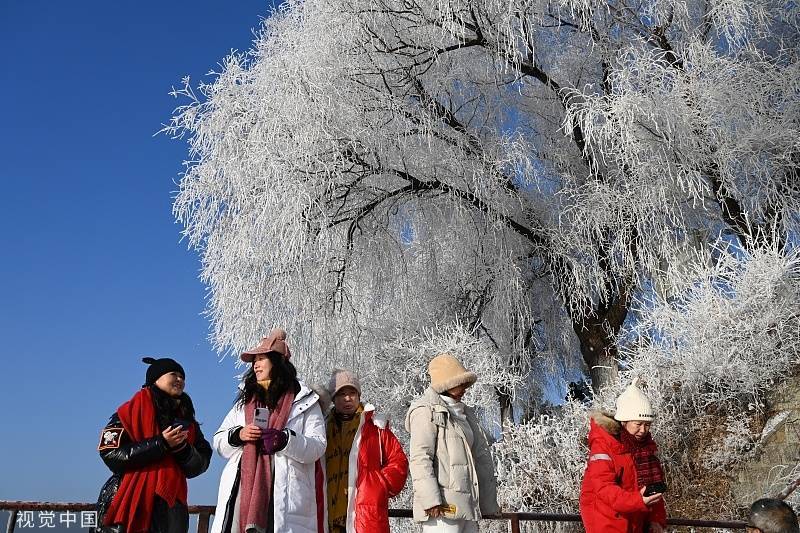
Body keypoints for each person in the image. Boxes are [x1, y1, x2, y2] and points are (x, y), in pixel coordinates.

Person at [210, 328, 327, 533]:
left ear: (277, 361)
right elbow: (219, 441)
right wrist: (238, 435)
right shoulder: (245, 400)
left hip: (286, 498)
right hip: (242, 492)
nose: (255, 364)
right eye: (254, 360)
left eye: (261, 358)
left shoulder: (306, 401)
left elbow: (318, 446)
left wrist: (285, 440)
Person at [95, 357, 212, 533]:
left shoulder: (187, 419)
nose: (180, 380)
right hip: (129, 498)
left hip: (172, 508)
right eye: (174, 374)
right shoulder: (129, 412)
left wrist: (183, 450)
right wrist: (161, 444)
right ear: (155, 379)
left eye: (182, 376)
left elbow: (201, 462)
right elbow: (110, 453)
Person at [405, 352, 499, 532]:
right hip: (442, 510)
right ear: (446, 382)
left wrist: (488, 504)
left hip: (468, 507)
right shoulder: (425, 411)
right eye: (459, 381)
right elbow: (420, 457)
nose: (465, 386)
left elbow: (479, 459)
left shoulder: (466, 414)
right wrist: (430, 500)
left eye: (465, 381)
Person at [322, 369, 408, 533]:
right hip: (329, 510)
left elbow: (398, 461)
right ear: (333, 398)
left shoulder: (376, 427)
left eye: (352, 393)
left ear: (359, 395)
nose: (347, 398)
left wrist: (379, 484)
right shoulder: (323, 426)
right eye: (341, 394)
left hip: (365, 512)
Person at [580, 378, 667, 533]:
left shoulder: (645, 449)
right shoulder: (603, 444)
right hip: (606, 523)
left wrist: (656, 520)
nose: (643, 430)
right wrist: (637, 500)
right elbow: (605, 489)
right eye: (638, 424)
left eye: (647, 424)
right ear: (624, 421)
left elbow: (653, 492)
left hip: (635, 523)